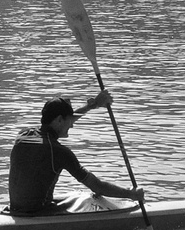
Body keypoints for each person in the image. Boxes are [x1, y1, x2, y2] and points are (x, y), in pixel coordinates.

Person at [8, 92, 145, 215]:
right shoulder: (59, 151)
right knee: (89, 197)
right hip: (37, 212)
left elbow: (67, 119)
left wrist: (91, 106)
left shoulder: (23, 135)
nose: (72, 125)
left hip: (15, 208)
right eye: (69, 121)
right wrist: (131, 194)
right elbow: (97, 186)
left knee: (76, 195)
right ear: (59, 120)